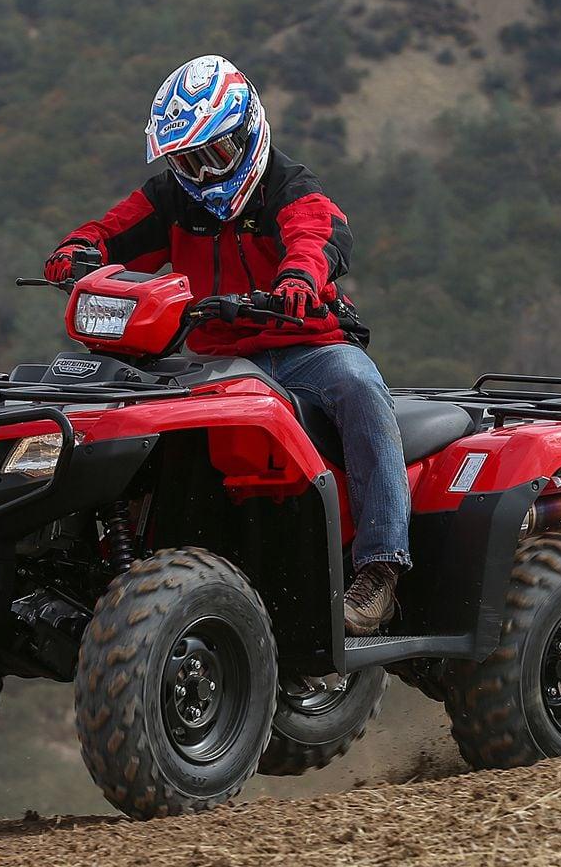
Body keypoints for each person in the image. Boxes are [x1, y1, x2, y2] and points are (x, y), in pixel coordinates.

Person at [44, 55, 406, 635]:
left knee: (361, 387)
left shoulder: (289, 187)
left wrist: (298, 279)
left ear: (248, 133)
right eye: (187, 159)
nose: (202, 172)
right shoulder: (172, 198)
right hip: (214, 358)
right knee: (122, 407)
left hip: (305, 348)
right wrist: (77, 249)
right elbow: (114, 231)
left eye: (214, 153)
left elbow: (318, 234)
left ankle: (380, 567)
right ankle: (115, 558)